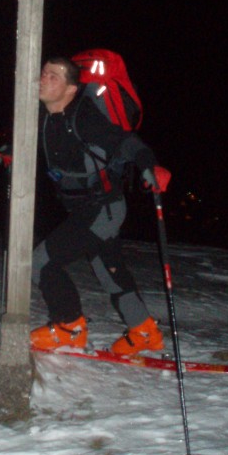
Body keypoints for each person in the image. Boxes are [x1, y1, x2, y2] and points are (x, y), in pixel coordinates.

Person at [29, 56, 165, 355]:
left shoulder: (84, 117)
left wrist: (148, 165)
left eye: (52, 76)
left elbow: (125, 142)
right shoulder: (45, 116)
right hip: (83, 208)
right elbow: (26, 139)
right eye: (43, 73)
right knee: (109, 270)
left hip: (103, 208)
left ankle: (69, 327)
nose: (42, 79)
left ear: (71, 88)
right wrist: (9, 150)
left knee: (42, 263)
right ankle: (144, 332)